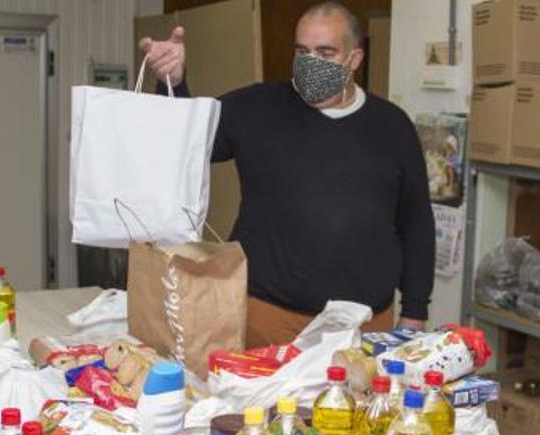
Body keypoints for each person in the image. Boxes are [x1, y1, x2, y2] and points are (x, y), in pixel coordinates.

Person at [139, 2, 436, 347]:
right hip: (267, 319)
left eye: (325, 52)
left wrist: (415, 311)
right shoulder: (256, 107)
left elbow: (416, 223)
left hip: (366, 326)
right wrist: (172, 83)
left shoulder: (392, 126)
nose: (311, 63)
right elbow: (184, 144)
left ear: (354, 59)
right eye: (302, 51)